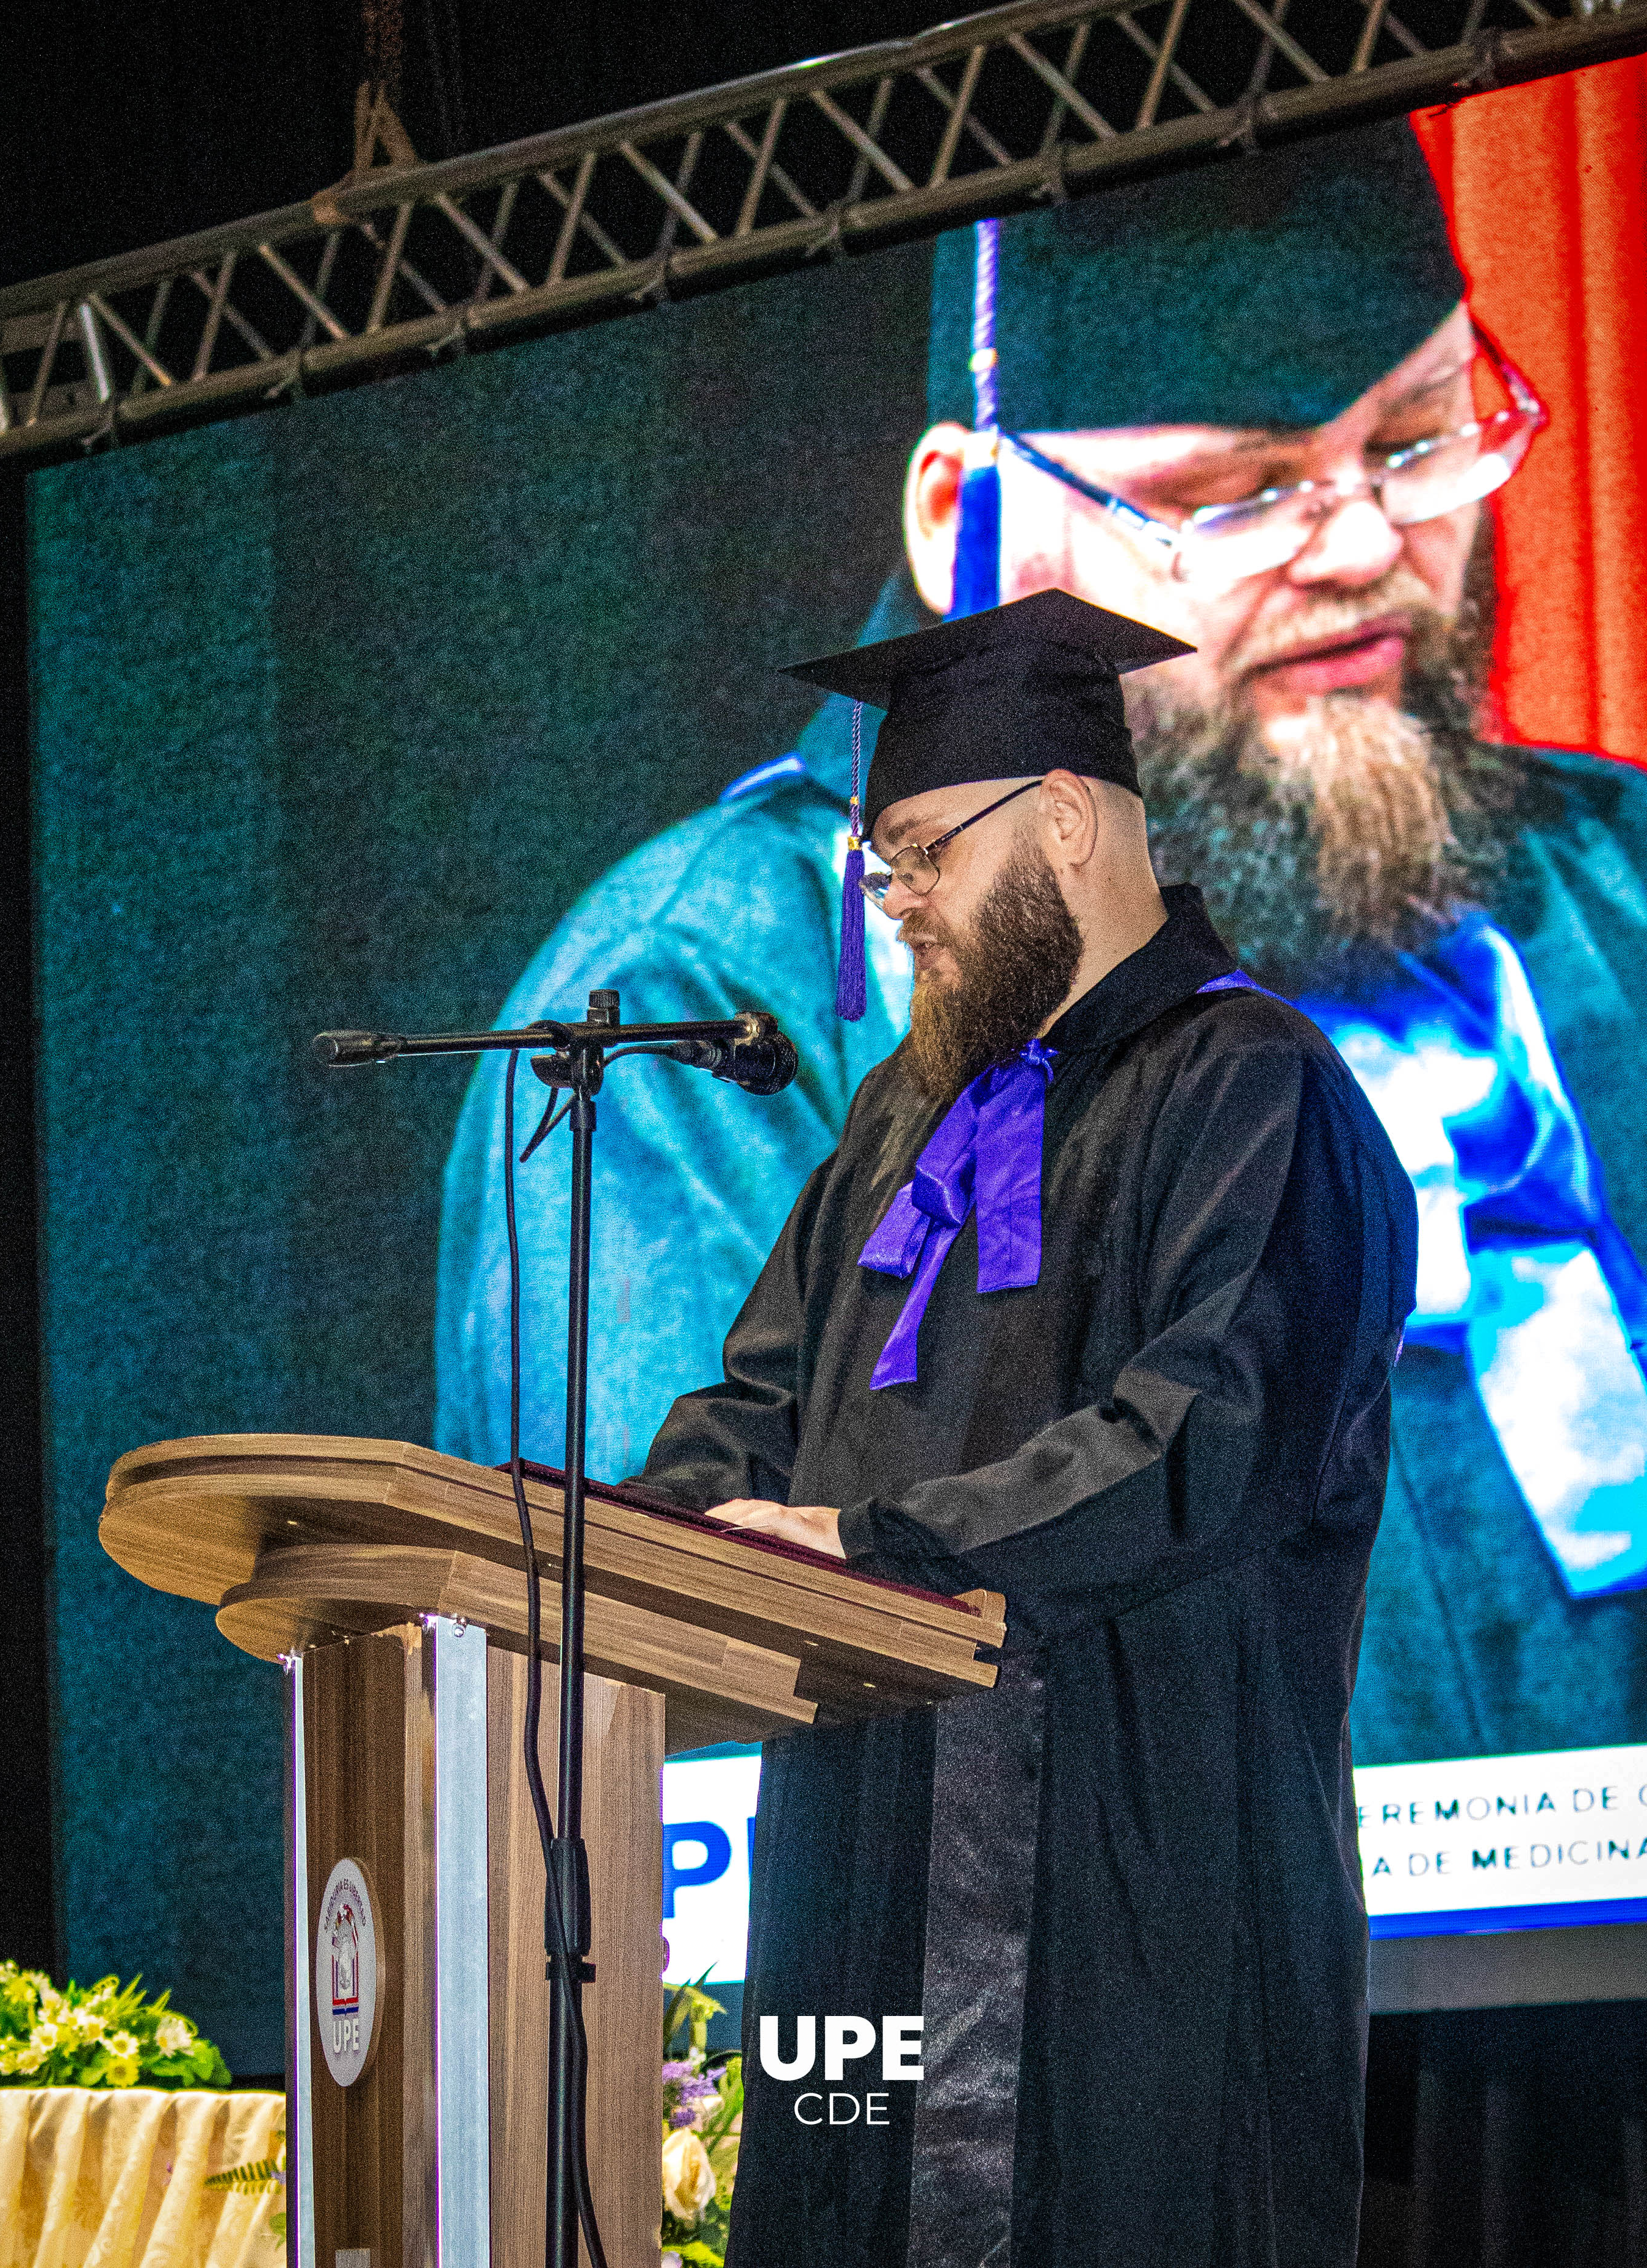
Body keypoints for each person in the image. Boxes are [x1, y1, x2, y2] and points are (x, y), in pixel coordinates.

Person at [436, 117, 1647, 1768]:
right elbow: (681, 1706)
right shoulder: (711, 1013)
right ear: (965, 515)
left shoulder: (1615, 886)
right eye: (1240, 494)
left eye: (1419, 445)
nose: (1365, 550)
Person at [636, 586, 1419, 2267]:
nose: (901, 903)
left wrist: (873, 1546)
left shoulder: (1254, 1090)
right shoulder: (899, 1120)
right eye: (883, 868)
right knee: (835, 2204)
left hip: (1135, 1889)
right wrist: (601, 1550)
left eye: (923, 853)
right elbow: (761, 1408)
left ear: (1064, 817)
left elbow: (1202, 1443)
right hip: (859, 1876)